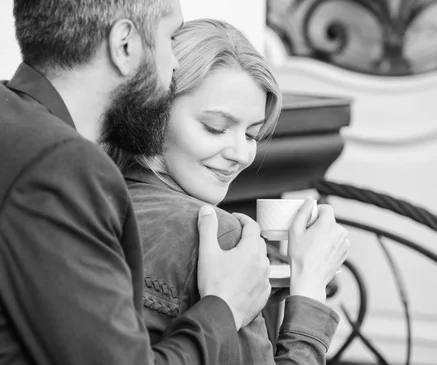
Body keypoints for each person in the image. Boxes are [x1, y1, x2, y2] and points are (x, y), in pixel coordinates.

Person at [0, 1, 273, 365]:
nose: (173, 67)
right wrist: (225, 306)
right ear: (124, 45)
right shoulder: (53, 166)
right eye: (170, 40)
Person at [104, 19, 350, 365]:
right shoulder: (214, 232)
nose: (240, 154)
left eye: (251, 135)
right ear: (152, 114)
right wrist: (310, 289)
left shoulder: (93, 196)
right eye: (216, 128)